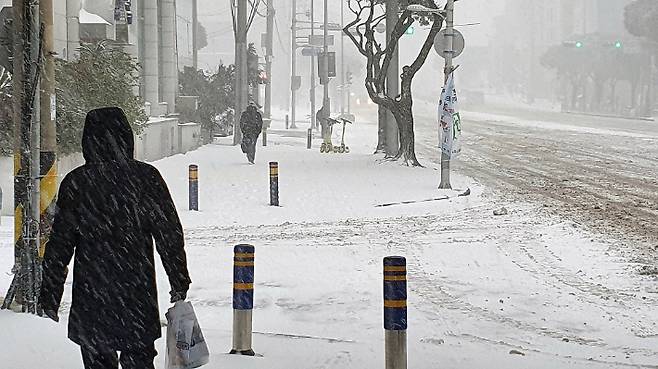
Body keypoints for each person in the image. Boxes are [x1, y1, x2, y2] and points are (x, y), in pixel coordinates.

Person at [40, 107, 191, 369]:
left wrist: (50, 294)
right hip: (136, 295)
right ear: (127, 138)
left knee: (97, 361)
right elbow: (169, 234)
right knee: (140, 360)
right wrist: (178, 278)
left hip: (92, 297)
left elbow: (60, 246)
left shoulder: (77, 183)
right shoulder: (146, 178)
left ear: (87, 140)